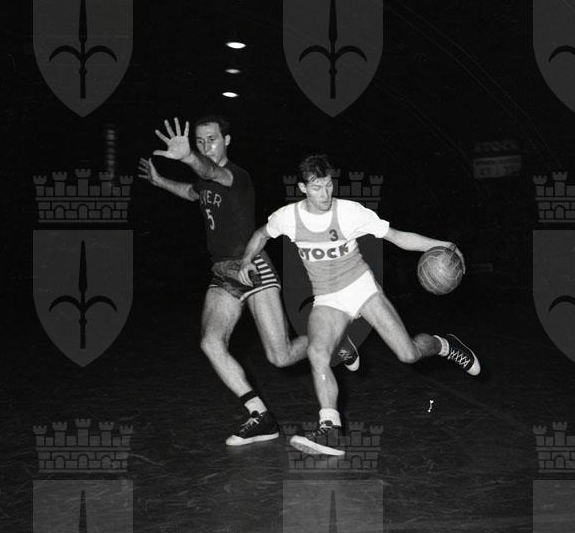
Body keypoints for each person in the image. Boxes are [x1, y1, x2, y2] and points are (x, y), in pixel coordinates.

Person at [239, 153, 481, 456]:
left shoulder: (349, 212)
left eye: (328, 185)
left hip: (361, 288)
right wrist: (246, 259)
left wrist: (442, 244)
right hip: (328, 298)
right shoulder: (287, 217)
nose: (325, 194)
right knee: (317, 352)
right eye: (316, 187)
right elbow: (261, 234)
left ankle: (444, 345)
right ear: (302, 188)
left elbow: (397, 237)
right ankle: (329, 427)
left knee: (407, 354)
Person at [138, 118, 359, 446]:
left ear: (227, 140)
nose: (206, 146)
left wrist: (188, 157)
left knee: (280, 356)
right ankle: (261, 417)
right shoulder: (204, 182)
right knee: (210, 343)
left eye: (212, 139)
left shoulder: (235, 176)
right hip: (222, 272)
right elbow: (191, 191)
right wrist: (160, 181)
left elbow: (210, 171)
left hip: (252, 267)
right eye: (200, 141)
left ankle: (337, 340)